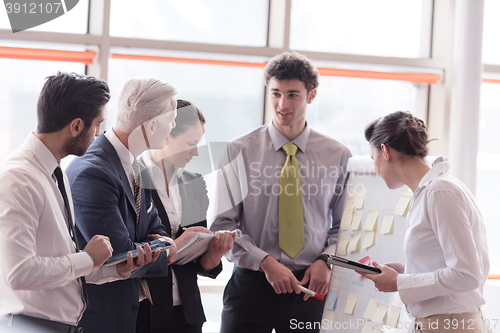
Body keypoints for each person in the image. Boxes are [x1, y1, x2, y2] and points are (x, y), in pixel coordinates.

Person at [0, 72, 158, 332]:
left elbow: (63, 263)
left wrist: (115, 270)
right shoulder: (19, 178)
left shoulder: (54, 172)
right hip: (30, 325)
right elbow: (19, 272)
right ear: (76, 126)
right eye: (97, 125)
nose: (99, 135)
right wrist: (87, 258)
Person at [210, 52, 352, 333]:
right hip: (252, 285)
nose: (282, 104)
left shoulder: (338, 155)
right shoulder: (238, 151)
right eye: (276, 93)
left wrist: (327, 260)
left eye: (293, 95)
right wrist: (265, 262)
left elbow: (345, 226)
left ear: (311, 96)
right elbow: (223, 225)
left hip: (310, 288)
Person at [360, 111, 491, 333]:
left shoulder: (440, 191)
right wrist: (407, 271)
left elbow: (466, 274)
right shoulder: (430, 191)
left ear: (385, 151)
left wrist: (399, 283)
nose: (375, 168)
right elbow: (445, 264)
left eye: (374, 160)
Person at [66, 78, 179, 333]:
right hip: (99, 319)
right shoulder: (92, 171)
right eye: (171, 120)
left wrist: (160, 243)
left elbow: (156, 227)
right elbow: (118, 254)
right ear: (151, 126)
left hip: (131, 312)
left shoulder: (137, 166)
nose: (173, 126)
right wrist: (168, 250)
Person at [136, 99, 236, 333]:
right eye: (191, 143)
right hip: (145, 313)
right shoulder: (132, 180)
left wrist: (215, 252)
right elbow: (129, 251)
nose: (196, 152)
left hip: (187, 314)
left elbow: (200, 264)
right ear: (167, 134)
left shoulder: (193, 182)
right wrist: (175, 246)